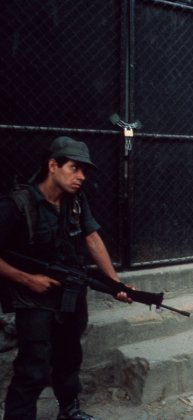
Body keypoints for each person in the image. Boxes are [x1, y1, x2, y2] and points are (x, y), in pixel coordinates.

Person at [0, 136, 130, 420]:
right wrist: (26, 279)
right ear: (52, 166)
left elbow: (92, 238)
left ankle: (69, 410)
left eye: (84, 171)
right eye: (75, 168)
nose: (81, 177)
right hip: (33, 297)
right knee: (33, 366)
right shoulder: (17, 204)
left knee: (69, 357)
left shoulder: (76, 201)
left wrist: (115, 283)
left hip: (70, 293)